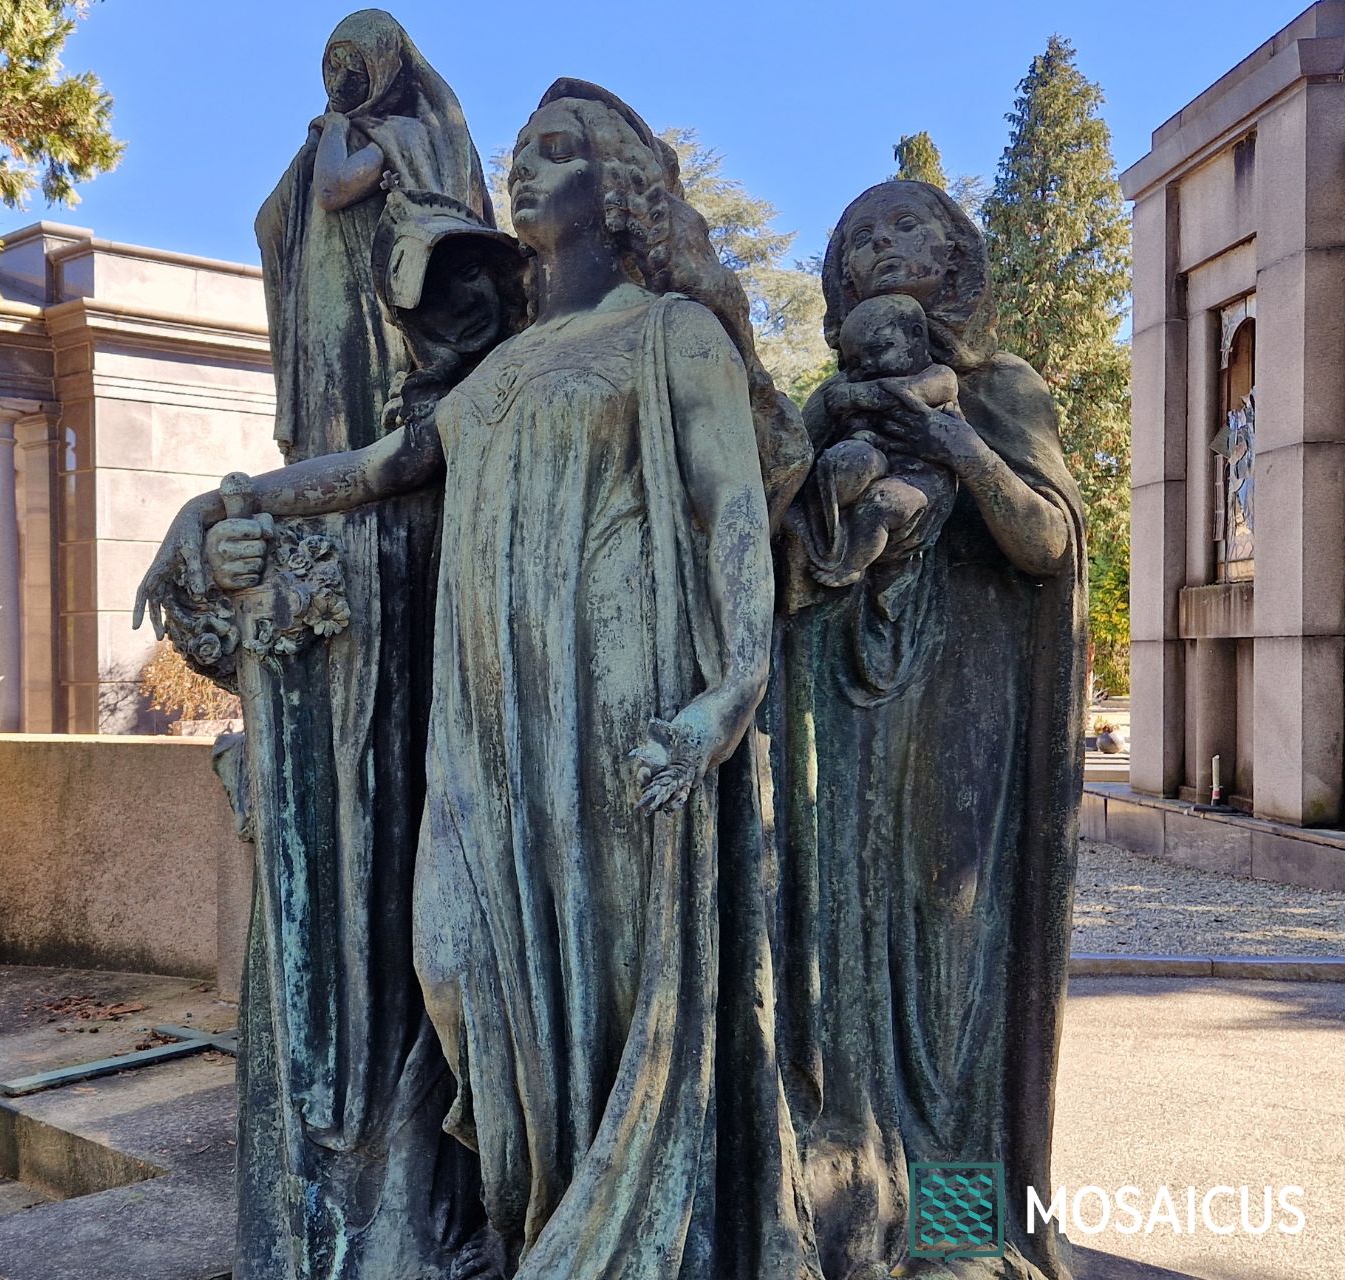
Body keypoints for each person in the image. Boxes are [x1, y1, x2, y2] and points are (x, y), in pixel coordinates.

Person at [143, 79, 818, 1280]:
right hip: (488, 712)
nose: (527, 167)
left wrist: (730, 692)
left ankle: (588, 1229)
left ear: (617, 187)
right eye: (523, 150)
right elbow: (378, 466)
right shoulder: (497, 374)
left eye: (558, 151)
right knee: (453, 960)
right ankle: (526, 1212)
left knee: (611, 996)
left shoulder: (674, 335)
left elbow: (728, 518)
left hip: (619, 707)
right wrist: (235, 497)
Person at [773, 181, 1085, 1280]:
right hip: (849, 707)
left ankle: (960, 1221)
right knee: (839, 948)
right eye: (862, 233)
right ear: (840, 275)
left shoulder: (1000, 388)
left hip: (966, 703)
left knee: (953, 952)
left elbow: (1048, 539)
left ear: (957, 263)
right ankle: (858, 1212)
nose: (884, 246)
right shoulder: (828, 403)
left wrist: (955, 443)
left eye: (910, 229)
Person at [256, 8, 490, 463]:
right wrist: (317, 147)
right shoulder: (324, 143)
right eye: (333, 65)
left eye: (354, 65)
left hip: (375, 305)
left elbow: (333, 189)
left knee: (363, 408)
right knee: (329, 408)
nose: (341, 79)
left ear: (385, 67)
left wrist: (337, 129)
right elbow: (269, 220)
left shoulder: (399, 134)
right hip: (322, 304)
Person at [805, 292, 960, 589]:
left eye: (880, 349)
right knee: (851, 460)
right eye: (856, 362)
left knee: (884, 503)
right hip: (880, 459)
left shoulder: (940, 376)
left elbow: (908, 394)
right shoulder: (858, 383)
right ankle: (830, 528)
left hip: (922, 479)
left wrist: (855, 396)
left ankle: (850, 565)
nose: (870, 365)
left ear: (916, 335)